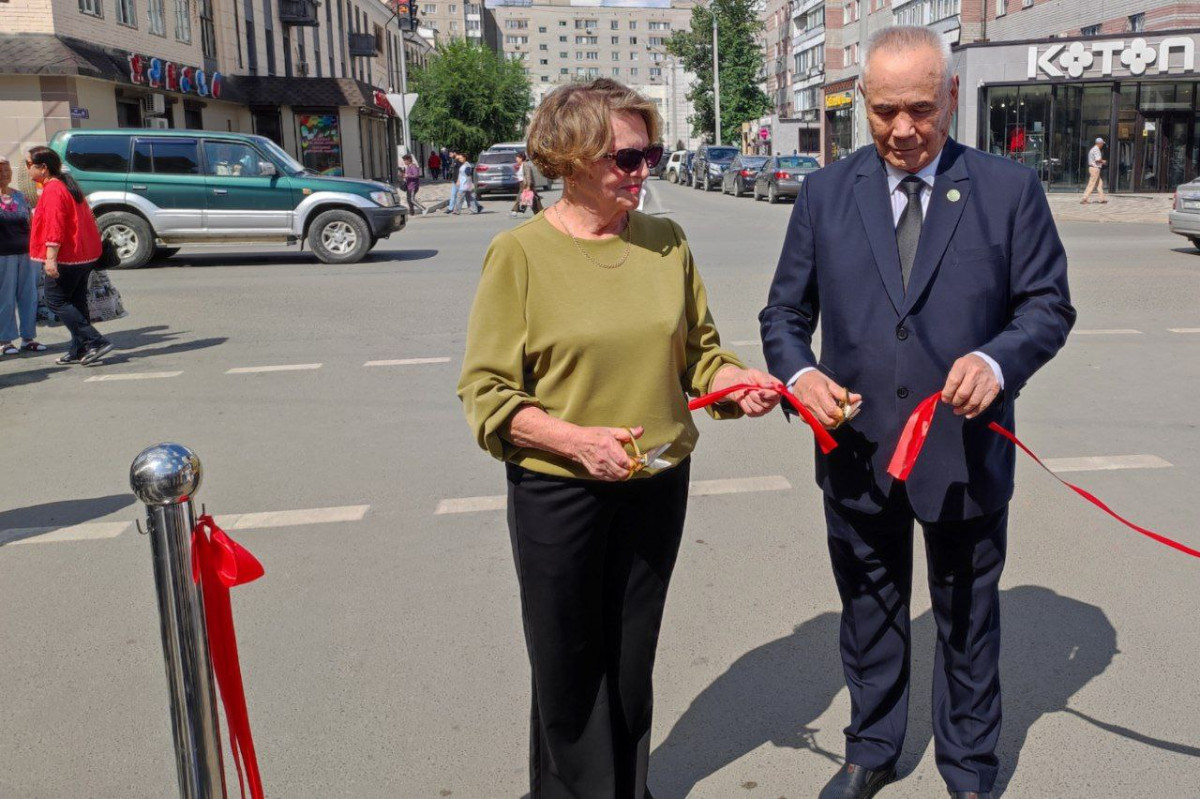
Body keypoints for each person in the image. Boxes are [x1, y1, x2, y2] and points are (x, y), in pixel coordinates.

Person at [760, 26, 1075, 799]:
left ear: (953, 97)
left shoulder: (1007, 190)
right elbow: (784, 314)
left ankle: (968, 765)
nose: (903, 129)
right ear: (862, 101)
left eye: (922, 109)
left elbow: (1047, 306)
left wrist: (996, 361)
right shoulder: (826, 193)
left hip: (964, 450)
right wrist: (800, 374)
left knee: (966, 617)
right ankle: (871, 747)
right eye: (885, 110)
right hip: (855, 448)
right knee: (869, 610)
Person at [458, 78, 780, 799]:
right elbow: (487, 393)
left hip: (657, 480)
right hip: (560, 487)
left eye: (650, 154)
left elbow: (698, 355)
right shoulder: (519, 254)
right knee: (569, 664)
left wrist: (736, 383)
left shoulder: (666, 242)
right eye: (627, 158)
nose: (644, 172)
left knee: (632, 660)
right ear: (571, 159)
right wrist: (575, 442)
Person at [27, 146, 112, 366]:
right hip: (83, 255)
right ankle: (79, 348)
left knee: (56, 301)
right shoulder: (66, 184)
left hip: (67, 256)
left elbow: (54, 226)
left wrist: (50, 258)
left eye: (29, 165)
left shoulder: (53, 189)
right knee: (76, 301)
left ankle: (96, 341)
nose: (27, 170)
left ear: (43, 168)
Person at [0, 155, 46, 357]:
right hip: (3, 256)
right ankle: (5, 340)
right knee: (5, 298)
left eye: (7, 169)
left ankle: (28, 338)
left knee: (29, 296)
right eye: (0, 170)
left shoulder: (20, 196)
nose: (4, 173)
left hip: (27, 253)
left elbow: (32, 223)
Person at [509, 151, 542, 218]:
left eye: (517, 158)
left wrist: (528, 185)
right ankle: (539, 211)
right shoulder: (522, 165)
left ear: (521, 158)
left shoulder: (525, 165)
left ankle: (514, 212)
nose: (516, 159)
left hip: (525, 184)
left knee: (520, 197)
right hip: (523, 183)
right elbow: (522, 175)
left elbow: (528, 175)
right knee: (533, 199)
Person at [1081, 136, 1107, 204]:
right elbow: (1097, 160)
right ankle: (1084, 198)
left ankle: (1102, 199)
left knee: (1099, 184)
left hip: (1093, 168)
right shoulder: (1096, 150)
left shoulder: (1093, 149)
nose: (1102, 145)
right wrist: (1103, 161)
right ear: (1099, 143)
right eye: (1102, 143)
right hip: (1095, 169)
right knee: (1091, 184)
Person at [443, 150, 460, 215]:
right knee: (453, 194)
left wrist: (459, 180)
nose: (449, 155)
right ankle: (450, 208)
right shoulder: (454, 160)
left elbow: (461, 171)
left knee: (466, 195)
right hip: (455, 180)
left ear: (455, 153)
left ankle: (477, 206)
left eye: (450, 154)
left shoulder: (459, 160)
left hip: (459, 181)